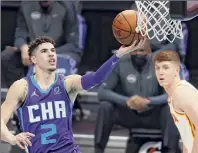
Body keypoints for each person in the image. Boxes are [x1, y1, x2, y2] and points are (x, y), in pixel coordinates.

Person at [1, 36, 145, 153]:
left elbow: (96, 78)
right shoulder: (22, 87)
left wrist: (118, 55)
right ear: (33, 59)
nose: (51, 54)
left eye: (53, 50)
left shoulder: (67, 83)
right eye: (44, 51)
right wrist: (11, 138)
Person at [94, 39, 180, 153]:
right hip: (129, 113)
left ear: (149, 52)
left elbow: (173, 94)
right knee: (105, 106)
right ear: (129, 51)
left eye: (142, 51)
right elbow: (102, 92)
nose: (138, 53)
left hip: (154, 115)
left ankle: (170, 150)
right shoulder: (119, 63)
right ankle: (98, 150)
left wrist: (148, 101)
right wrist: (127, 101)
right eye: (135, 50)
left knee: (171, 108)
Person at [1, 1, 82, 88]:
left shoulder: (67, 7)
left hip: (60, 52)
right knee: (7, 56)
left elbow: (73, 45)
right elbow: (20, 35)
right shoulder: (26, 6)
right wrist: (23, 47)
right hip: (34, 52)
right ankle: (19, 94)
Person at [154, 50, 198, 153]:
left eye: (166, 67)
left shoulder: (181, 93)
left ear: (177, 70)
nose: (161, 72)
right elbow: (189, 135)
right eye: (157, 68)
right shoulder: (173, 95)